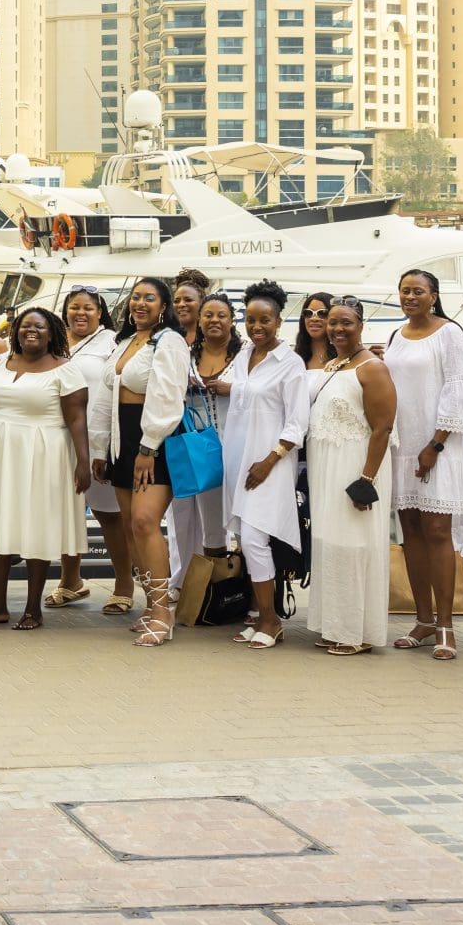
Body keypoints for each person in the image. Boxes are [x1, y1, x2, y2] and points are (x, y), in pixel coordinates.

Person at [0, 305, 92, 629]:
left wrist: (83, 462)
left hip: (45, 452)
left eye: (38, 327)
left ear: (51, 332)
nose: (30, 331)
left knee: (36, 527)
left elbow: (77, 418)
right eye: (25, 327)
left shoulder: (65, 370)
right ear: (16, 331)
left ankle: (33, 609)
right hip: (1, 451)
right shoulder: (4, 363)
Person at [384, 269, 463, 659]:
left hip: (438, 445)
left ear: (434, 295)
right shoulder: (395, 335)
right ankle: (422, 619)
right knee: (410, 532)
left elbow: (457, 389)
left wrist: (435, 444)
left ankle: (446, 626)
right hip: (401, 444)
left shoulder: (450, 333)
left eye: (418, 291)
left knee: (438, 531)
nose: (410, 297)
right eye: (404, 291)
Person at [222, 279, 311, 650]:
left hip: (269, 462)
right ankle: (261, 614)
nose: (257, 327)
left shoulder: (290, 363)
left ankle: (271, 620)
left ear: (279, 321)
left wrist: (270, 459)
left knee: (257, 539)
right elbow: (230, 388)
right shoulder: (243, 356)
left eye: (265, 320)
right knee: (244, 538)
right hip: (239, 460)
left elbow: (297, 422)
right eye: (251, 319)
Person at [305, 298, 397, 655]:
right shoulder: (332, 365)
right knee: (329, 542)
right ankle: (335, 624)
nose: (338, 329)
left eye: (346, 323)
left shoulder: (372, 368)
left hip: (355, 466)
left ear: (360, 326)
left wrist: (367, 479)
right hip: (325, 465)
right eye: (333, 323)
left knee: (353, 544)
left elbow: (383, 428)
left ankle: (355, 631)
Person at [111, 277, 189, 645]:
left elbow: (168, 396)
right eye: (136, 297)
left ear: (163, 306)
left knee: (145, 521)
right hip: (122, 439)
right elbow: (106, 395)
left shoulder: (169, 341)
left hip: (152, 441)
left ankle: (163, 612)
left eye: (149, 298)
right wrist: (101, 448)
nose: (140, 303)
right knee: (130, 527)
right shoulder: (126, 341)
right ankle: (149, 604)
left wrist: (148, 447)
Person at [173, 292, 240, 605]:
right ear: (199, 321)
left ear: (232, 320)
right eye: (208, 315)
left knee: (248, 526)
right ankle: (218, 598)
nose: (215, 321)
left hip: (242, 445)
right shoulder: (186, 356)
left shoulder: (247, 355)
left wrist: (233, 388)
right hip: (204, 451)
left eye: (221, 315)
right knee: (212, 526)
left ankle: (253, 598)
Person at [57, 288, 120, 611]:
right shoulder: (55, 341)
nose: (80, 313)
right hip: (60, 438)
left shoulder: (111, 342)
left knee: (108, 514)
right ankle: (71, 580)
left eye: (88, 308)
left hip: (98, 440)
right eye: (74, 307)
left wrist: (107, 443)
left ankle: (124, 585)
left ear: (100, 312)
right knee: (67, 512)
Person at [296, 292, 339, 371]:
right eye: (308, 313)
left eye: (322, 313)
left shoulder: (345, 356)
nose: (314, 318)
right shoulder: (294, 358)